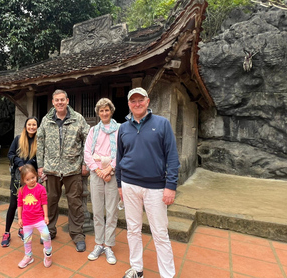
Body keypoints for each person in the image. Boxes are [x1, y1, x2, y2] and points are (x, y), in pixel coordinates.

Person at [116, 87, 180, 278]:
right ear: (128, 104)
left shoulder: (162, 124)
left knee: (160, 232)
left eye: (140, 100)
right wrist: (119, 184)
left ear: (148, 101)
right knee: (132, 229)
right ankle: (137, 269)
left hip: (156, 187)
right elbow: (119, 157)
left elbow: (173, 157)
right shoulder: (123, 128)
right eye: (133, 101)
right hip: (129, 185)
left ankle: (167, 275)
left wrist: (171, 186)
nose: (137, 104)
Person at [37, 89, 90, 252]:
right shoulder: (46, 120)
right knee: (51, 201)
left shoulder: (78, 119)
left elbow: (87, 140)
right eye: (56, 100)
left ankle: (77, 235)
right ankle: (49, 231)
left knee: (75, 203)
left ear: (67, 101)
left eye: (62, 100)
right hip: (51, 169)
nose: (59, 102)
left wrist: (85, 163)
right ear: (53, 102)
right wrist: (40, 166)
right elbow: (40, 143)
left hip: (73, 168)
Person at [83, 98, 120, 265]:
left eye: (107, 110)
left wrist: (110, 169)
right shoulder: (93, 130)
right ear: (98, 113)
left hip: (112, 172)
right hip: (97, 173)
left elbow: (122, 151)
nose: (104, 113)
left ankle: (109, 245)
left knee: (111, 210)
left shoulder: (120, 129)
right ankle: (99, 243)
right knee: (97, 210)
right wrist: (98, 170)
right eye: (101, 111)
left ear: (111, 111)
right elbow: (87, 152)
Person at [1, 117, 39, 247]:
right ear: (26, 126)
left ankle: (23, 229)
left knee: (27, 205)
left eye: (34, 125)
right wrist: (20, 164)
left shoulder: (39, 141)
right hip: (18, 177)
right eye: (29, 124)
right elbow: (11, 154)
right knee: (13, 204)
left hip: (32, 179)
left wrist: (29, 165)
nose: (32, 127)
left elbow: (39, 158)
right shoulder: (18, 139)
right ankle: (6, 232)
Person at [17, 164, 52, 268]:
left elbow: (44, 202)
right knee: (27, 239)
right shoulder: (22, 190)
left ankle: (48, 254)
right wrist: (19, 218)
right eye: (28, 179)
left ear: (36, 175)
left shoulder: (41, 189)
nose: (31, 180)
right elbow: (20, 204)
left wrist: (46, 216)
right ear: (23, 180)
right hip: (27, 220)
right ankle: (28, 256)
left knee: (46, 235)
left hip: (39, 219)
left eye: (33, 177)